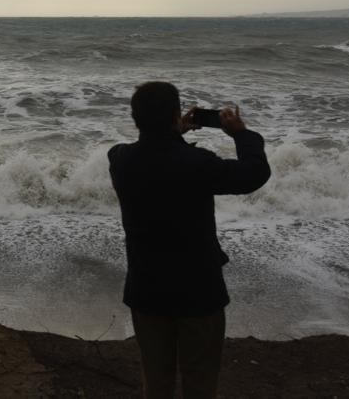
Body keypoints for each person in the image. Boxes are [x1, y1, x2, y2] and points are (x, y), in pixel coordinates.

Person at [108, 81, 270, 399]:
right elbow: (254, 173)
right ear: (174, 115)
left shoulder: (121, 161)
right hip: (198, 290)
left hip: (147, 288)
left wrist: (172, 132)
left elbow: (146, 152)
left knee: (156, 383)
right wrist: (240, 133)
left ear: (135, 118)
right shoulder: (199, 164)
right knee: (200, 382)